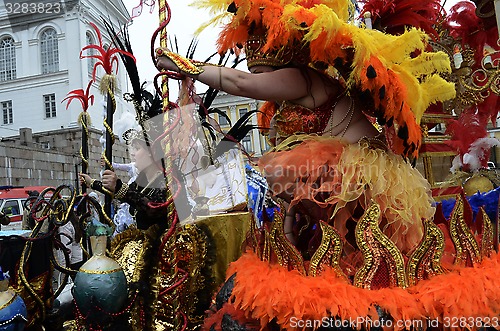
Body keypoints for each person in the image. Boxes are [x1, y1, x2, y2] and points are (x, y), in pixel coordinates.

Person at [153, 1, 500, 330]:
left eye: (261, 60)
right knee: (297, 204)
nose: (252, 67)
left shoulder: (299, 78)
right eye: (251, 60)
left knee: (353, 243)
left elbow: (241, 84)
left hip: (359, 169)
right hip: (336, 169)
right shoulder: (288, 94)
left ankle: (364, 295)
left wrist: (187, 67)